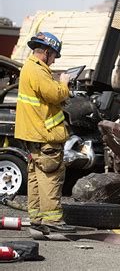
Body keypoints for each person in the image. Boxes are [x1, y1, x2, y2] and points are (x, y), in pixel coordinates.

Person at [15, 32, 75, 233]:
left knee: (36, 177)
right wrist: (64, 82)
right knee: (50, 177)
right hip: (45, 135)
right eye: (54, 57)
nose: (53, 61)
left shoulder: (29, 67)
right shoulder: (38, 71)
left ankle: (37, 219)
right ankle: (53, 221)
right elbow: (55, 95)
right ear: (47, 52)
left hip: (33, 135)